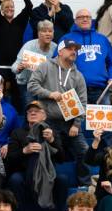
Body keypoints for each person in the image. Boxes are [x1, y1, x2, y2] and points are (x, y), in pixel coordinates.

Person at [27, 39, 91, 186]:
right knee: (48, 150)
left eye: (75, 49)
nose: (74, 51)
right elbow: (31, 85)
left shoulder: (78, 75)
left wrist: (76, 124)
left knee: (84, 150)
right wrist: (49, 94)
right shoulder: (45, 66)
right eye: (70, 48)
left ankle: (85, 185)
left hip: (70, 123)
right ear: (60, 51)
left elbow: (83, 102)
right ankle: (48, 183)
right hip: (48, 120)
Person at [5, 100, 68, 211]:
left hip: (47, 173)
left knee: (63, 179)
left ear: (44, 116)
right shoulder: (17, 133)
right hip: (24, 173)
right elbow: (10, 159)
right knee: (15, 179)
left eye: (37, 111)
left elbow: (62, 158)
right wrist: (24, 151)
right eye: (30, 111)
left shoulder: (51, 133)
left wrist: (52, 141)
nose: (33, 113)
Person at [62, 9, 112, 106]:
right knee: (77, 121)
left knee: (101, 121)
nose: (85, 19)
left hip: (101, 91)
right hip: (74, 91)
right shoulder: (66, 39)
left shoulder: (102, 39)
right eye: (81, 17)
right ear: (75, 21)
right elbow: (57, 61)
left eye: (87, 17)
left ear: (91, 20)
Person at [0, 0, 33, 93]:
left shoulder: (20, 22)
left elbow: (29, 6)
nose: (10, 9)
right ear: (2, 10)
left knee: (16, 96)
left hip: (16, 65)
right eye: (6, 7)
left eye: (12, 7)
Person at [12, 20, 55, 109]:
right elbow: (14, 67)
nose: (48, 34)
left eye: (50, 31)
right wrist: (19, 68)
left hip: (45, 85)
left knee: (44, 111)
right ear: (38, 33)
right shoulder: (29, 46)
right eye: (44, 31)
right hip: (27, 83)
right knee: (31, 110)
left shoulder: (55, 48)